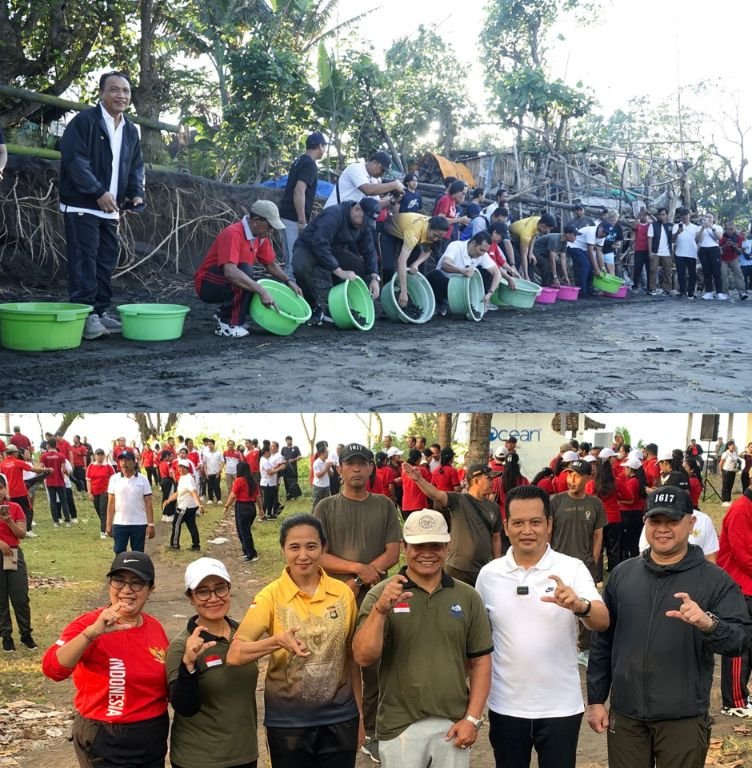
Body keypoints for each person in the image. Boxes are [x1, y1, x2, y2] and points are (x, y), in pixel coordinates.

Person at [586, 487, 751, 768]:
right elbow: (604, 641)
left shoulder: (714, 580)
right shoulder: (623, 575)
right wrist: (596, 699)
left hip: (683, 719)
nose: (663, 529)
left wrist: (708, 624)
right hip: (627, 717)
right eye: (655, 521)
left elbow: (740, 639)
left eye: (672, 521)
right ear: (645, 523)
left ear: (691, 523)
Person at [476, 485, 608, 768]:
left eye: (536, 522)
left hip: (560, 706)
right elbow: (477, 639)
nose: (527, 530)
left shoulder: (570, 568)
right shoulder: (489, 575)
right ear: (506, 525)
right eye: (519, 523)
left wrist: (579, 605)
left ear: (549, 524)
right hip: (505, 705)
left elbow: (602, 619)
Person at [353, 509, 493, 768]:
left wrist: (472, 719)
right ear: (404, 546)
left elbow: (481, 661)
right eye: (418, 545)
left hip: (453, 724)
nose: (427, 553)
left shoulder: (467, 596)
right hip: (399, 725)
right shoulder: (380, 595)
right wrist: (381, 610)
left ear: (447, 546)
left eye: (435, 545)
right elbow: (363, 656)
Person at [228, 514, 364, 767]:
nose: (303, 555)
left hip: (340, 719)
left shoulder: (343, 594)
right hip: (288, 723)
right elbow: (236, 653)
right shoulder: (270, 596)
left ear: (324, 548)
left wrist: (359, 715)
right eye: (294, 547)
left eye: (311, 546)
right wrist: (276, 641)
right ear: (283, 550)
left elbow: (351, 659)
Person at [313, 443, 401, 763]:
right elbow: (317, 554)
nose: (357, 469)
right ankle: (343, 722)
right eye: (350, 464)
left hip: (377, 596)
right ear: (340, 469)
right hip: (335, 597)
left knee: (374, 662)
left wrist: (362, 580)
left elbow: (393, 552)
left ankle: (373, 730)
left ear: (371, 468)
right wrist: (354, 569)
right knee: (337, 661)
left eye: (362, 463)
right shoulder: (326, 507)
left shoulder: (384, 506)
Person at [42, 551, 169, 768]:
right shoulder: (89, 624)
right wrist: (91, 635)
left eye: (137, 583)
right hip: (106, 737)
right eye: (119, 581)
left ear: (151, 590)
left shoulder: (154, 627)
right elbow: (53, 669)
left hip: (151, 735)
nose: (126, 590)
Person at [58, 71, 144, 340]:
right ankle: (85, 316)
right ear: (102, 93)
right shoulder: (84, 121)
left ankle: (99, 310)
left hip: (111, 209)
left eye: (126, 91)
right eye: (115, 90)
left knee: (106, 260)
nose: (121, 95)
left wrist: (135, 192)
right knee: (85, 261)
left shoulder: (130, 129)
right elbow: (75, 161)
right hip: (82, 205)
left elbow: (135, 166)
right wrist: (97, 191)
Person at [166, 557, 259, 768]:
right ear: (191, 597)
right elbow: (184, 706)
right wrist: (188, 665)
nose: (214, 598)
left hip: (244, 753)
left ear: (229, 589)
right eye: (203, 591)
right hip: (199, 759)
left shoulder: (243, 634)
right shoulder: (181, 646)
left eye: (220, 588)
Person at [194, 200, 302, 338]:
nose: (271, 230)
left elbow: (270, 264)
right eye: (269, 226)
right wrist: (261, 291)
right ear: (256, 221)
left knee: (253, 279)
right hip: (207, 284)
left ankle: (225, 313)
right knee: (246, 273)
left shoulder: (260, 237)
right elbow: (230, 272)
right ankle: (227, 324)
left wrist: (288, 281)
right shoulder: (233, 233)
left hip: (226, 278)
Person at [403, 461, 502, 587]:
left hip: (483, 570)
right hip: (457, 569)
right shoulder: (459, 500)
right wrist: (419, 479)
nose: (493, 482)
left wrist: (497, 563)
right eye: (489, 479)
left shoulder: (493, 507)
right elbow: (436, 494)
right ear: (476, 481)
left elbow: (496, 538)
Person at [550, 459, 606, 666]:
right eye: (568, 474)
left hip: (584, 563)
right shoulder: (555, 501)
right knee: (555, 604)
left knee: (585, 604)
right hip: (557, 563)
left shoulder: (595, 504)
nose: (571, 479)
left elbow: (598, 534)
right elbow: (549, 531)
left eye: (576, 475)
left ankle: (584, 648)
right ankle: (554, 645)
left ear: (587, 478)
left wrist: (594, 558)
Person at [293, 198, 382, 325]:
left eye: (367, 223)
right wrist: (339, 271)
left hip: (336, 249)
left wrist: (375, 276)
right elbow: (320, 244)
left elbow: (369, 250)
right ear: (357, 209)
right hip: (310, 247)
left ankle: (340, 305)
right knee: (300, 268)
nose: (363, 225)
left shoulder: (363, 225)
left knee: (361, 267)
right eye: (363, 221)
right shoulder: (334, 215)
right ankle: (313, 307)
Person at [717, 485, 752, 717]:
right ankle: (734, 701)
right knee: (740, 644)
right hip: (740, 587)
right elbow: (744, 554)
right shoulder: (741, 509)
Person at [278, 131, 327, 278]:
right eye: (324, 146)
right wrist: (301, 220)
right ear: (320, 146)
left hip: (286, 214)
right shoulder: (310, 164)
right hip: (292, 217)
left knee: (291, 258)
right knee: (293, 260)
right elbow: (299, 190)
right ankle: (285, 297)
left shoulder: (299, 161)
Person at [0, 474, 36, 652]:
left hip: (12, 555)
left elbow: (21, 534)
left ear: (5, 489)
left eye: (0, 487)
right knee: (1, 598)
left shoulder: (14, 508)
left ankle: (26, 634)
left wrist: (9, 521)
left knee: (19, 596)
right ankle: (6, 636)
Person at [428, 231, 502, 316]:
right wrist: (462, 271)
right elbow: (445, 264)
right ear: (473, 243)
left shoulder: (483, 255)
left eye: (485, 251)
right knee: (435, 275)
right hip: (447, 286)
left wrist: (490, 293)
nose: (482, 254)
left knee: (486, 271)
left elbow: (497, 273)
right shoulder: (456, 245)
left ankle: (479, 301)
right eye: (481, 250)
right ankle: (439, 303)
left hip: (464, 289)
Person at [379, 213, 450, 293]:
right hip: (391, 230)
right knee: (388, 267)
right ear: (429, 227)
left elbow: (427, 251)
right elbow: (401, 261)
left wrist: (416, 263)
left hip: (407, 232)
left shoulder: (435, 229)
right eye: (435, 235)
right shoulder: (414, 232)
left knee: (419, 266)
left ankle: (410, 288)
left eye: (440, 237)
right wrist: (403, 291)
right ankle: (387, 290)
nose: (436, 239)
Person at [105, 450, 154, 553]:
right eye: (121, 460)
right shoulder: (114, 479)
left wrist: (150, 524)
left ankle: (136, 569)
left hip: (139, 523)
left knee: (138, 554)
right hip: (120, 523)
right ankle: (121, 569)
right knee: (119, 551)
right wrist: (108, 524)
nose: (123, 463)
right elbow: (111, 503)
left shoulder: (143, 479)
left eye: (127, 460)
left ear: (134, 462)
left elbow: (148, 503)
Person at [324, 150, 403, 208]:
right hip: (332, 213)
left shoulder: (373, 180)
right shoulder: (356, 168)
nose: (382, 174)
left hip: (346, 218)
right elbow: (368, 190)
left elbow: (376, 204)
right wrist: (395, 184)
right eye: (382, 170)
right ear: (374, 162)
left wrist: (393, 199)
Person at [0, 444, 49, 533]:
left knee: (12, 511)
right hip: (20, 492)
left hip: (8, 493)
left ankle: (15, 529)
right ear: (15, 453)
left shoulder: (2, 464)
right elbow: (33, 469)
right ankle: (28, 530)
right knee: (28, 510)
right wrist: (46, 470)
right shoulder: (18, 462)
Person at [163, 459, 203, 551]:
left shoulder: (188, 479)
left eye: (182, 467)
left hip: (185, 507)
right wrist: (168, 500)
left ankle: (175, 544)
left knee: (176, 524)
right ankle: (196, 545)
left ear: (187, 468)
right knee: (191, 525)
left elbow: (194, 492)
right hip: (189, 506)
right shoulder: (182, 478)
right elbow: (178, 492)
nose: (180, 469)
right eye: (179, 467)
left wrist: (199, 505)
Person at [224, 461, 261, 561]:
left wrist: (227, 505)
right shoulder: (253, 481)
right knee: (245, 531)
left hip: (242, 506)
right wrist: (261, 509)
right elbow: (258, 496)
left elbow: (233, 495)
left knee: (243, 532)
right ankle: (246, 550)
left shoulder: (239, 480)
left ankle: (251, 554)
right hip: (251, 507)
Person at [508, 213, 557, 280]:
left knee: (530, 259)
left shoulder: (538, 220)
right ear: (543, 225)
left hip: (521, 237)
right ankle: (519, 278)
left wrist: (531, 253)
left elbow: (534, 235)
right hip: (511, 238)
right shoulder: (526, 233)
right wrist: (526, 275)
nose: (548, 232)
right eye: (548, 229)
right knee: (518, 260)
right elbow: (524, 255)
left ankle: (530, 279)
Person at [40, 438, 72, 526]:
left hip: (49, 482)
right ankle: (67, 521)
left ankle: (55, 522)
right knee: (64, 501)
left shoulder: (44, 456)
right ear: (55, 445)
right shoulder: (61, 456)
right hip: (60, 481)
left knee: (53, 501)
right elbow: (64, 469)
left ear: (48, 445)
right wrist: (68, 474)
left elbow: (41, 468)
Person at [85, 449, 115, 540]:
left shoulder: (108, 467)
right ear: (95, 456)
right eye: (98, 454)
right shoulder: (91, 467)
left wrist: (112, 492)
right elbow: (88, 480)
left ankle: (103, 531)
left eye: (102, 454)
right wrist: (89, 492)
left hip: (105, 492)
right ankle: (108, 526)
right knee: (99, 510)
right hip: (95, 491)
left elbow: (114, 479)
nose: (100, 456)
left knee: (103, 511)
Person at [672, 207, 700, 298]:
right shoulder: (676, 226)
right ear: (680, 217)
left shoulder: (695, 227)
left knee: (692, 274)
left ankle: (691, 292)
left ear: (689, 216)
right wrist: (677, 233)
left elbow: (698, 240)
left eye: (686, 215)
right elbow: (672, 239)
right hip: (679, 253)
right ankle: (682, 291)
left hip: (692, 253)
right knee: (681, 273)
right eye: (682, 215)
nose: (685, 217)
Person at [695, 213, 724, 300]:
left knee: (716, 272)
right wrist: (703, 228)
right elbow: (697, 240)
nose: (707, 218)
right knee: (706, 272)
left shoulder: (718, 227)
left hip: (714, 249)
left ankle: (719, 292)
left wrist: (711, 227)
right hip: (703, 249)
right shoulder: (699, 228)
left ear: (713, 219)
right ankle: (709, 292)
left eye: (709, 217)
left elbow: (719, 237)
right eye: (705, 217)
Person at [646, 208, 673, 296]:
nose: (662, 216)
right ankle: (652, 288)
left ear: (667, 215)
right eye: (660, 215)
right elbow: (650, 238)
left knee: (667, 271)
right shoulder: (653, 225)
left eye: (663, 214)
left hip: (667, 252)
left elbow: (674, 238)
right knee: (653, 270)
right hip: (655, 252)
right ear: (657, 215)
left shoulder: (670, 226)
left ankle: (667, 289)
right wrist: (650, 252)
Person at [719, 220, 748, 300]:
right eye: (727, 229)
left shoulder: (739, 237)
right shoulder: (722, 237)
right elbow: (719, 250)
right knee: (723, 275)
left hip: (734, 258)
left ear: (734, 229)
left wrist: (734, 246)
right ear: (725, 229)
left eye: (731, 229)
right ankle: (725, 293)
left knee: (738, 274)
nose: (729, 231)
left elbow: (739, 251)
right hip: (723, 258)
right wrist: (726, 245)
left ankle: (742, 292)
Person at [281, 436, 302, 501]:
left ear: (292, 441)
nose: (289, 441)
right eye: (288, 440)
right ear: (286, 441)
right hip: (286, 468)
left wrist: (294, 459)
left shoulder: (295, 448)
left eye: (290, 440)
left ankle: (295, 495)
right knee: (286, 482)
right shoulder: (284, 449)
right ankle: (288, 495)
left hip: (293, 468)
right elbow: (281, 457)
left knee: (294, 482)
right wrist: (283, 461)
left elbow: (300, 456)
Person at [720, 440, 740, 506]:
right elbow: (721, 463)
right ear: (728, 446)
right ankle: (724, 500)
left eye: (734, 445)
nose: (733, 446)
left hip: (733, 471)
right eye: (732, 445)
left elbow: (736, 461)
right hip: (726, 471)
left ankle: (728, 499)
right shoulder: (725, 453)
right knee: (725, 485)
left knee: (730, 486)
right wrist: (721, 470)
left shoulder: (735, 453)